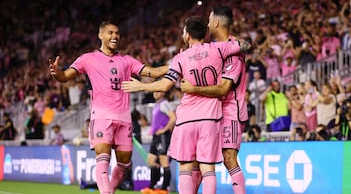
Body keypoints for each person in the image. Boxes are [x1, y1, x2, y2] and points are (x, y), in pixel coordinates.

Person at [122, 16, 249, 194]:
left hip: (186, 119)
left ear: (187, 35)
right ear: (205, 34)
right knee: (208, 169)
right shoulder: (218, 48)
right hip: (210, 119)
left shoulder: (180, 58)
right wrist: (234, 42)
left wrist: (141, 85)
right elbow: (245, 45)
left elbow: (165, 85)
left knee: (185, 168)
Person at [48, 21, 168, 194]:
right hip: (102, 116)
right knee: (103, 160)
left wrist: (176, 67)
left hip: (124, 119)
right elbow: (65, 76)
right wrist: (56, 73)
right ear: (100, 35)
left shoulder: (127, 61)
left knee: (123, 164)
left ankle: (109, 190)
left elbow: (153, 72)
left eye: (117, 33)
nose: (115, 36)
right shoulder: (87, 59)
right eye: (110, 33)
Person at [180, 6, 249, 194]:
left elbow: (223, 89)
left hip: (230, 111)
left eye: (210, 19)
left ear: (216, 22)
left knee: (229, 158)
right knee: (197, 160)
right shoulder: (214, 48)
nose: (207, 23)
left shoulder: (233, 53)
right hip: (212, 111)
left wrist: (193, 89)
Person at [141, 91, 176, 194]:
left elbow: (173, 118)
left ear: (163, 93)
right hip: (156, 137)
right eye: (155, 91)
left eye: (159, 91)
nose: (156, 93)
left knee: (164, 161)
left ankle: (165, 189)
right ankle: (152, 187)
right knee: (151, 160)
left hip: (162, 136)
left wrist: (164, 130)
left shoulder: (164, 103)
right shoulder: (157, 104)